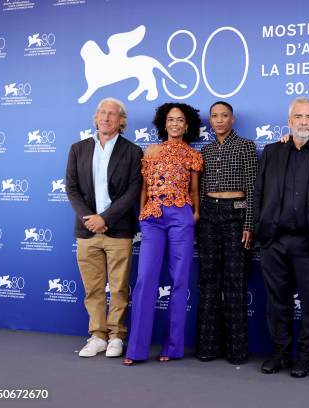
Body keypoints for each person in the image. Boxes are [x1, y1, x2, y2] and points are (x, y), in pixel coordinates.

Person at [254, 97, 309, 378]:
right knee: (276, 302)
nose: (304, 122)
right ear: (289, 121)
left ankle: (306, 357)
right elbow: (258, 193)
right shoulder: (271, 151)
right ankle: (280, 353)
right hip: (275, 241)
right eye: (298, 117)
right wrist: (260, 230)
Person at [123, 103, 203, 365]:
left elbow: (194, 190)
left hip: (181, 216)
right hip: (153, 218)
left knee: (179, 280)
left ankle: (173, 346)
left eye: (180, 120)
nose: (176, 123)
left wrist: (195, 214)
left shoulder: (192, 154)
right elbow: (144, 186)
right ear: (164, 123)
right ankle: (136, 349)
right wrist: (143, 212)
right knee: (146, 279)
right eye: (171, 119)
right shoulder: (151, 151)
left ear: (187, 125)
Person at [66, 97, 143, 358]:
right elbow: (72, 188)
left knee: (119, 287)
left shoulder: (132, 151)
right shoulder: (78, 149)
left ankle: (116, 336)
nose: (106, 117)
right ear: (95, 117)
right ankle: (97, 335)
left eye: (112, 114)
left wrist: (106, 218)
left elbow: (133, 191)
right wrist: (90, 218)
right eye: (102, 113)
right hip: (86, 230)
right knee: (93, 288)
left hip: (118, 230)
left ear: (122, 121)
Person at [196, 101, 257, 365]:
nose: (219, 120)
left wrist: (248, 223)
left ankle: (236, 350)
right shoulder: (206, 150)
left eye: (224, 115)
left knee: (235, 281)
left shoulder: (246, 146)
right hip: (209, 214)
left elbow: (253, 188)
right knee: (209, 280)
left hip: (236, 214)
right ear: (210, 120)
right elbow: (199, 191)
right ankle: (208, 347)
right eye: (214, 116)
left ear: (232, 119)